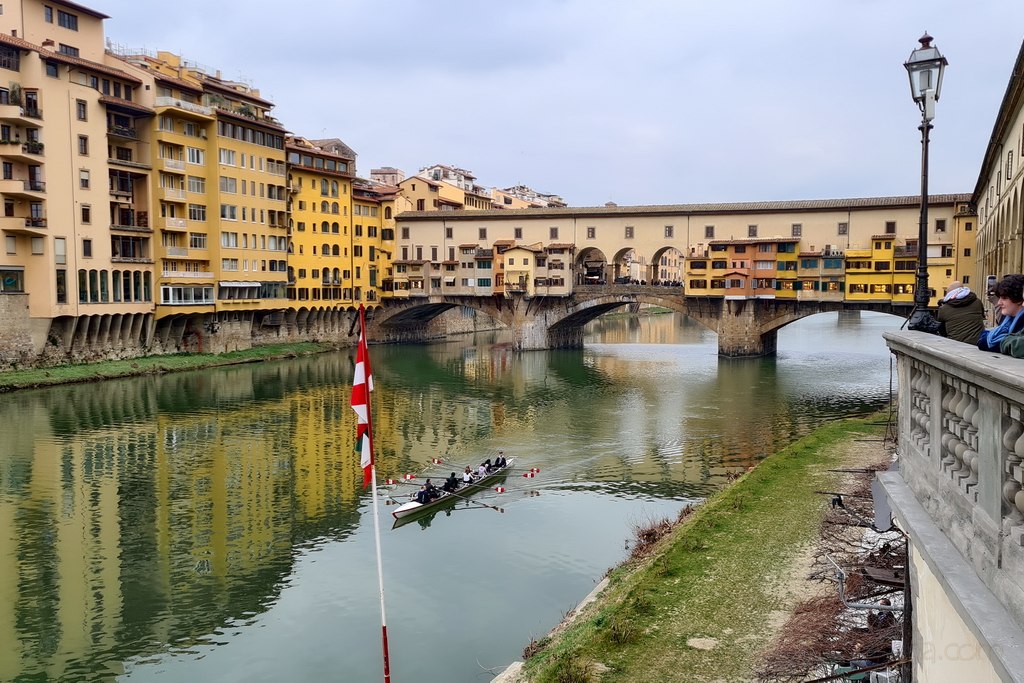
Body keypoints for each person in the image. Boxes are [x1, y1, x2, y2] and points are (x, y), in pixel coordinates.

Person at [980, 274, 1024, 352]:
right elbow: (983, 339)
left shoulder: (1019, 322)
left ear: (1019, 299)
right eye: (999, 297)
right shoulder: (1009, 319)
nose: (999, 302)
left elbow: (986, 342)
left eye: (1004, 298)